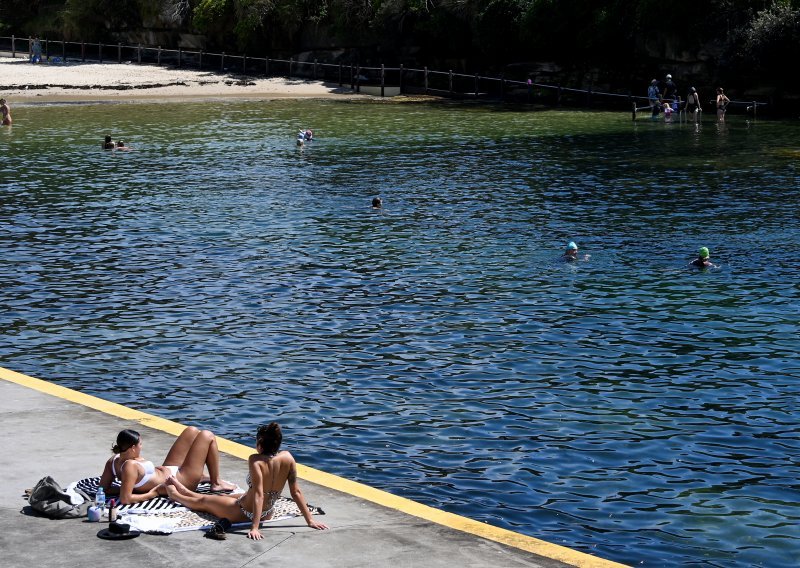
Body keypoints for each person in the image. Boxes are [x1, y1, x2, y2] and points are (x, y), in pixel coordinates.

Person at [164, 422, 328, 538]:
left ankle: (177, 495)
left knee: (204, 501)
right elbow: (296, 492)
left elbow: (258, 494)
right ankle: (184, 490)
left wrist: (254, 527)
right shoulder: (288, 458)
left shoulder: (256, 460)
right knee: (229, 497)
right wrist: (310, 520)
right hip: (268, 513)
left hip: (245, 513)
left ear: (260, 444)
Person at [99, 426, 236, 505]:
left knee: (192, 431)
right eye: (140, 444)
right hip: (180, 480)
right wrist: (152, 493)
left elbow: (103, 489)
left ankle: (200, 476)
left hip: (168, 469)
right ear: (133, 448)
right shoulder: (130, 466)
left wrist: (128, 487)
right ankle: (216, 482)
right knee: (207, 435)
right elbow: (126, 499)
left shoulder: (113, 460)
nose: (142, 446)